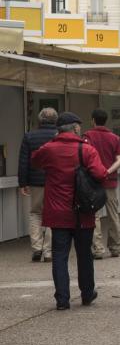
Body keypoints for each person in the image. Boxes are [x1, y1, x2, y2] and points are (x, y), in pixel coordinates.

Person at [31, 112, 108, 309]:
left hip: (58, 213)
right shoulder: (87, 150)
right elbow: (101, 174)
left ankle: (62, 299)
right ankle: (87, 293)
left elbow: (35, 161)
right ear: (75, 128)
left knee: (59, 256)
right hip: (83, 211)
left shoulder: (49, 148)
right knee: (84, 255)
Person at [17, 107, 58, 262]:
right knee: (51, 214)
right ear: (56, 120)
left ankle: (36, 247)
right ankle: (48, 251)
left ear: (40, 120)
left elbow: (23, 162)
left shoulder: (29, 136)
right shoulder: (58, 136)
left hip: (35, 183)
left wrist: (23, 183)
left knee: (35, 213)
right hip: (54, 182)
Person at [84, 109, 120, 259]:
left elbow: (85, 157)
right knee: (113, 214)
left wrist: (98, 172)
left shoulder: (87, 136)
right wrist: (108, 172)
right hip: (110, 182)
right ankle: (115, 246)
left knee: (94, 215)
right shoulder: (115, 138)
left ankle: (98, 248)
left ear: (93, 120)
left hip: (93, 182)